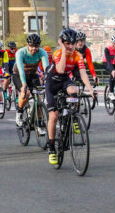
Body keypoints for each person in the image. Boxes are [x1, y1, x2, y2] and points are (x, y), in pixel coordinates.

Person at [44, 29, 94, 165]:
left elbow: (83, 74)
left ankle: (73, 117)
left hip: (65, 80)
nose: (70, 46)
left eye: (72, 43)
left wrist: (91, 89)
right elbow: (60, 70)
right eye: (67, 43)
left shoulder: (78, 55)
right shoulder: (58, 53)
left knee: (74, 90)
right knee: (53, 116)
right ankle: (51, 148)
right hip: (52, 82)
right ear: (62, 43)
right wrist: (63, 49)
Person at [14, 33, 50, 127]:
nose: (34, 48)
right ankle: (19, 112)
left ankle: (40, 123)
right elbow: (21, 71)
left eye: (36, 46)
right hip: (19, 75)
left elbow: (46, 69)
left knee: (39, 98)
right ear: (27, 45)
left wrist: (48, 80)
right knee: (26, 93)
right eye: (32, 46)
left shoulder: (42, 52)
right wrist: (24, 84)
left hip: (33, 75)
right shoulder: (20, 53)